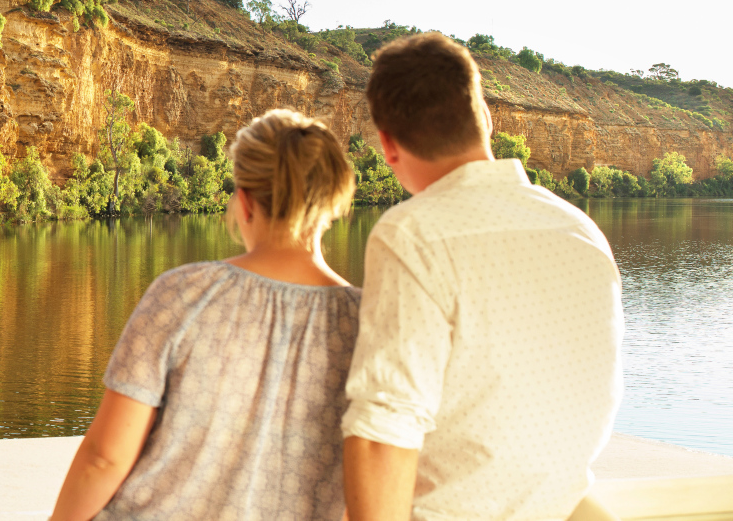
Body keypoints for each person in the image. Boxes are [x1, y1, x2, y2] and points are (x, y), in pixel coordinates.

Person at [342, 33, 623, 520]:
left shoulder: (413, 232)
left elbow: (385, 431)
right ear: (487, 119)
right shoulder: (580, 229)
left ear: (387, 145)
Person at [50, 109, 361, 521]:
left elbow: (105, 457)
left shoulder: (186, 292)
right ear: (331, 202)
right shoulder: (366, 321)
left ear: (246, 201)